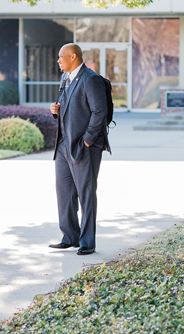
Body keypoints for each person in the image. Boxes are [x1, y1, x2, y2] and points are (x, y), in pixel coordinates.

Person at [49, 44, 110, 255]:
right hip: (63, 146)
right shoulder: (65, 78)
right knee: (64, 192)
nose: (58, 60)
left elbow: (99, 111)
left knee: (86, 193)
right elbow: (71, 110)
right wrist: (55, 111)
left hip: (85, 147)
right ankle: (70, 236)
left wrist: (87, 141)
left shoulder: (90, 79)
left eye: (61, 56)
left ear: (73, 57)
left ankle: (87, 242)